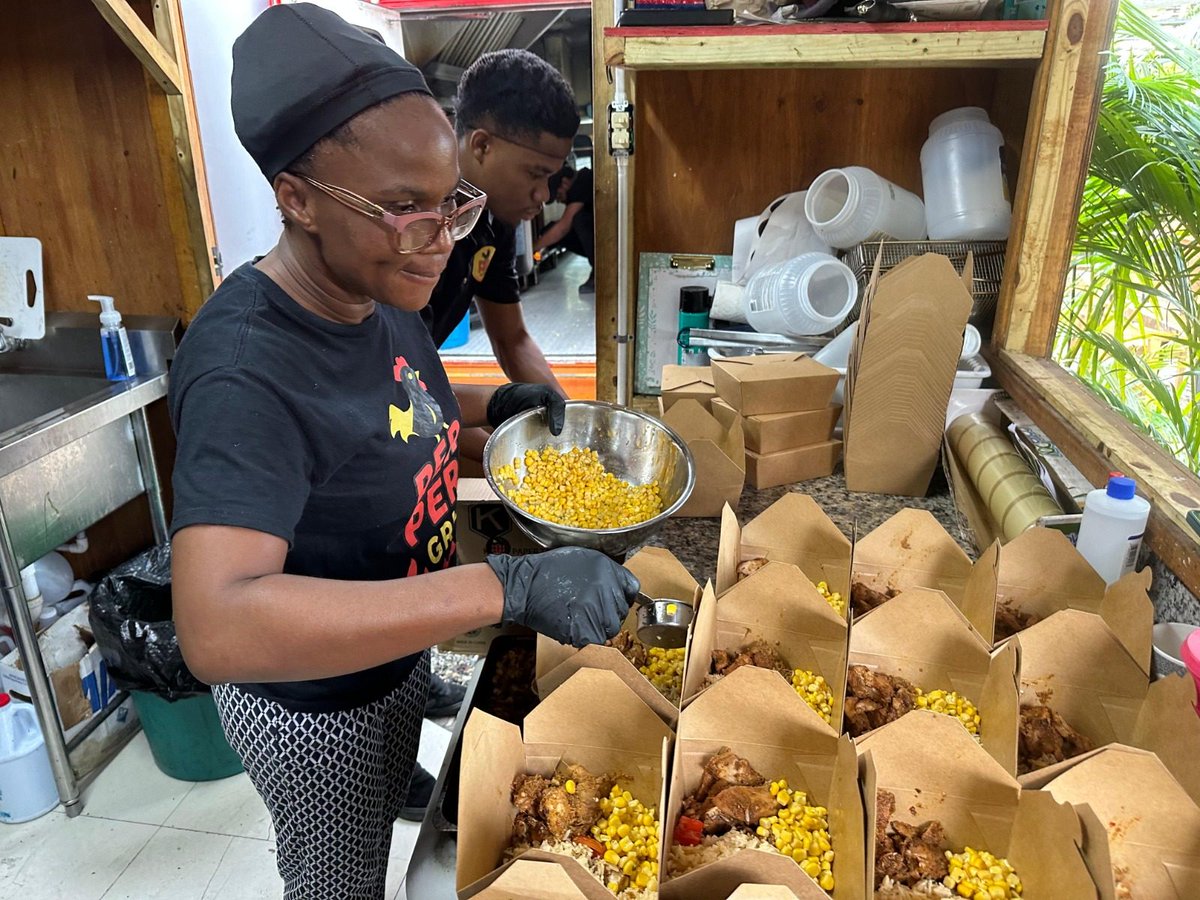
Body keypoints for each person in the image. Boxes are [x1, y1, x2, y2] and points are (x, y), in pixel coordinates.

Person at [167, 7, 638, 899]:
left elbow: (391, 411)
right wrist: (506, 587)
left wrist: (490, 406)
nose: (442, 238)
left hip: (389, 650)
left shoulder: (379, 284)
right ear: (296, 197)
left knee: (392, 802)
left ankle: (392, 782)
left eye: (450, 200)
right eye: (401, 208)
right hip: (315, 705)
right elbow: (219, 625)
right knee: (339, 880)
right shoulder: (247, 371)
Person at [422, 48, 577, 400]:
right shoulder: (413, 222)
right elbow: (389, 384)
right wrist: (496, 411)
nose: (543, 195)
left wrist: (569, 420)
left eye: (550, 178)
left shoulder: (494, 221)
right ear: (482, 146)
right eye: (535, 174)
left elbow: (512, 340)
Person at [536, 164, 594, 290]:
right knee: (551, 229)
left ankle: (600, 271)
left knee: (579, 219)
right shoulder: (576, 189)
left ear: (565, 183)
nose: (558, 200)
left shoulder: (583, 181)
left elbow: (563, 228)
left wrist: (534, 247)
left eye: (558, 195)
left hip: (610, 237)